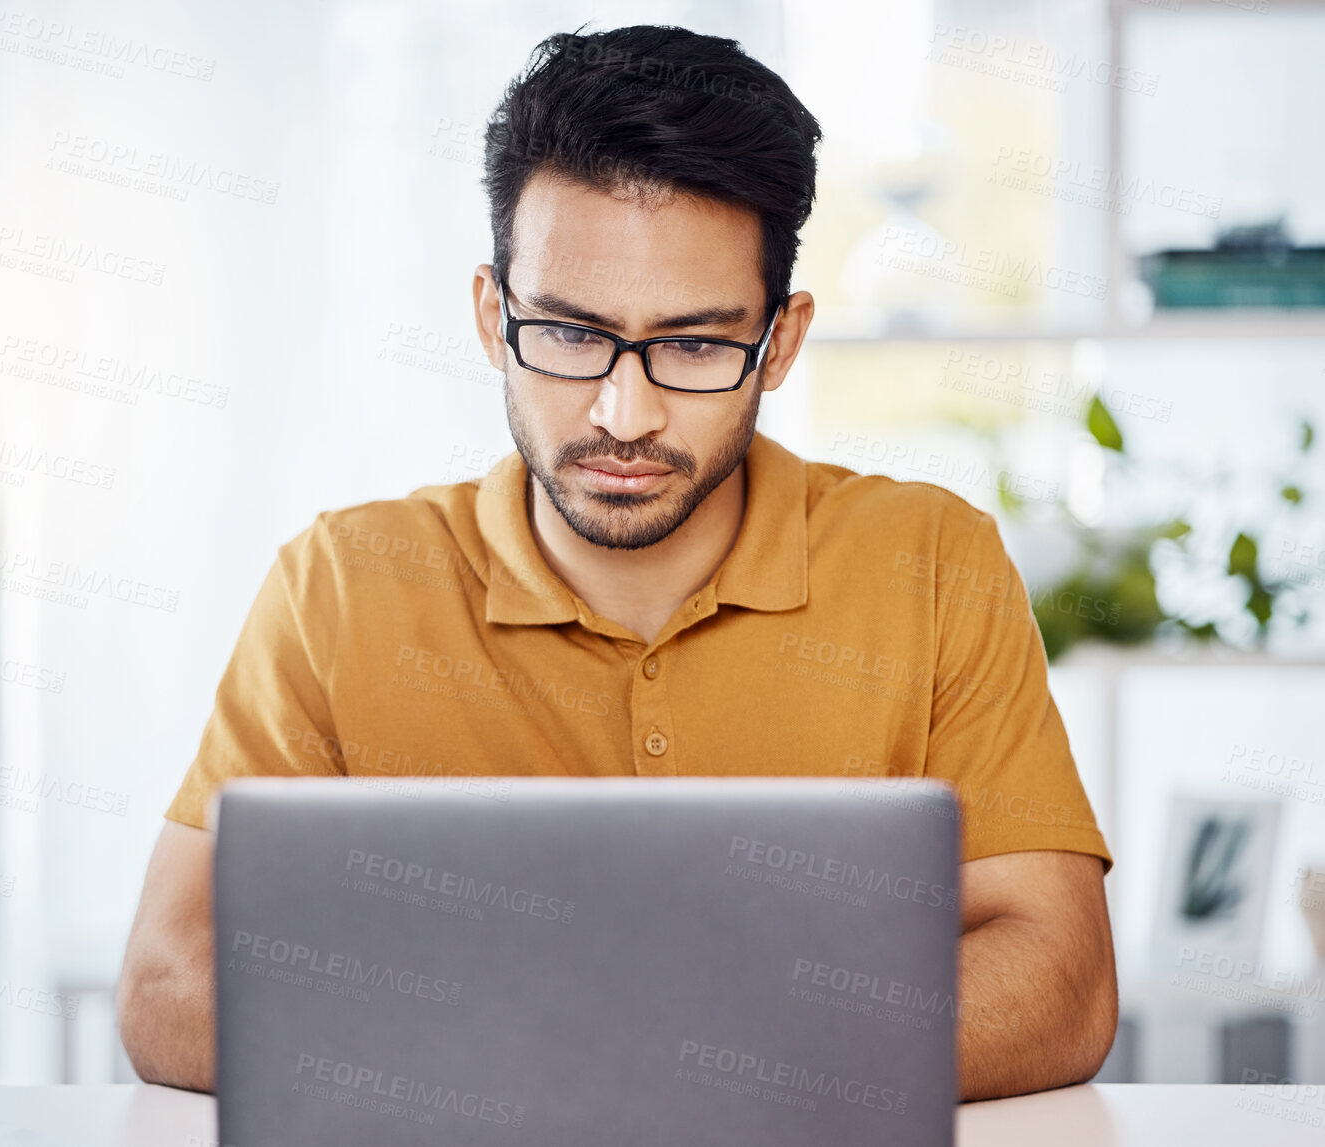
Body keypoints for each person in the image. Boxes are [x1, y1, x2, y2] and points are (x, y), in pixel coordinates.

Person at [117, 23, 1116, 1102]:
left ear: (777, 344)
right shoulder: (339, 583)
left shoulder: (931, 562)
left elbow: (1059, 982)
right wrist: (658, 1051)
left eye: (691, 345)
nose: (621, 415)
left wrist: (606, 1050)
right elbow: (169, 984)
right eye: (569, 334)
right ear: (491, 317)